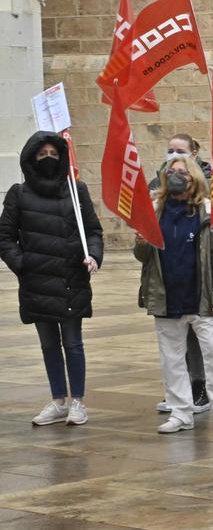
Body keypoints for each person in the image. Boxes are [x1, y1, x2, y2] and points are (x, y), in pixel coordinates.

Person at [0, 132, 103, 426]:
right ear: (31, 158)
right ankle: (58, 399)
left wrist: (93, 255)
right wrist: (23, 264)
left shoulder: (76, 190)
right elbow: (5, 237)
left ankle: (78, 402)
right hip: (37, 281)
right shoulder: (18, 194)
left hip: (71, 278)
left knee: (73, 343)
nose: (48, 159)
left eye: (53, 154)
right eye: (42, 154)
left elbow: (93, 230)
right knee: (49, 344)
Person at [135, 157, 213, 434]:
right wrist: (141, 242)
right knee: (171, 358)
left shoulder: (208, 211)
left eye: (182, 172)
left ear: (193, 178)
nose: (175, 175)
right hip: (167, 297)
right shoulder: (154, 211)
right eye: (171, 171)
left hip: (202, 297)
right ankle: (181, 411)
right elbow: (143, 257)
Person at [150, 133, 212, 414]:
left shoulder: (207, 193)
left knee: (202, 342)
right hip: (167, 281)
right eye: (170, 151)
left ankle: (202, 389)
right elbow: (145, 252)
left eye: (180, 151)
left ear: (194, 153)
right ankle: (178, 396)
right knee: (172, 347)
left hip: (197, 282)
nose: (173, 156)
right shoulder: (157, 191)